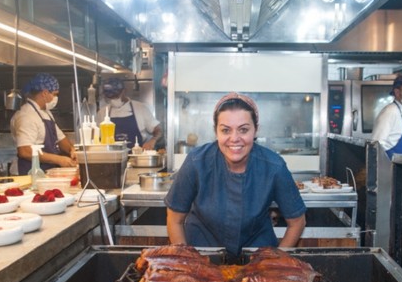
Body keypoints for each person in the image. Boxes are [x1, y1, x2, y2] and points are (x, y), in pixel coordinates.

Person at [165, 92, 306, 256]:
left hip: (257, 258)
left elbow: (297, 221)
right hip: (203, 255)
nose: (234, 138)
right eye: (225, 130)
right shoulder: (196, 162)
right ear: (215, 131)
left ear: (256, 130)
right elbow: (174, 220)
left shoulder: (274, 166)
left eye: (243, 130)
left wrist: (277, 262)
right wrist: (188, 263)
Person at [11, 73, 77, 175]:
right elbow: (25, 151)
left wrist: (71, 150)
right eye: (55, 94)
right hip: (30, 174)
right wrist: (59, 159)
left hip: (47, 172)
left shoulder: (46, 113)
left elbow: (61, 139)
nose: (56, 98)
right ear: (45, 93)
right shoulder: (26, 116)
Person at [101, 77, 163, 150]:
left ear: (124, 91)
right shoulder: (102, 112)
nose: (113, 98)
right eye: (110, 97)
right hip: (112, 158)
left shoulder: (140, 108)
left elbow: (159, 131)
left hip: (137, 157)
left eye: (116, 96)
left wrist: (153, 140)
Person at [370, 75, 402, 158]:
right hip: (389, 166)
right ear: (397, 92)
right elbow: (376, 145)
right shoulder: (390, 112)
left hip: (400, 164)